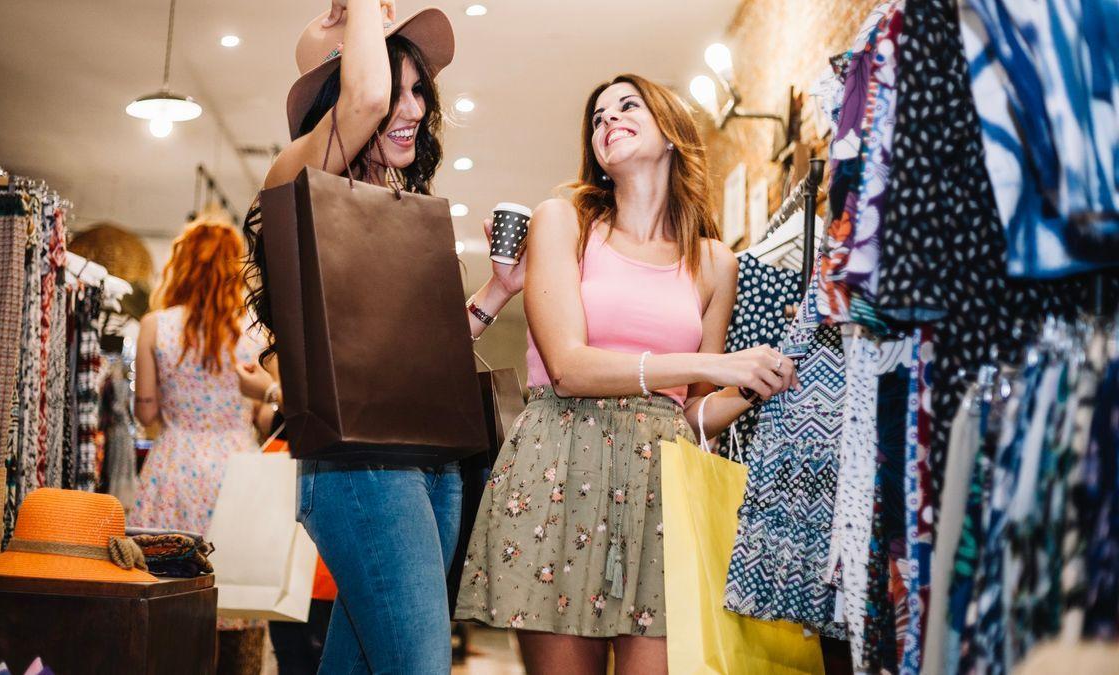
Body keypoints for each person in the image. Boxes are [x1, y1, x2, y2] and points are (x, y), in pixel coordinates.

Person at [453, 74, 799, 675]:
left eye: (627, 106)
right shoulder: (563, 223)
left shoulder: (715, 262)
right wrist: (710, 364)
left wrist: (747, 385)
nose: (607, 119)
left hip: (660, 490)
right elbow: (567, 367)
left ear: (670, 133)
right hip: (561, 466)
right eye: (597, 116)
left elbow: (692, 415)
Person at [241, 1, 523, 671]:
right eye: (393, 88)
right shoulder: (296, 177)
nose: (413, 107)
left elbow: (425, 356)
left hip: (433, 464)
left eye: (418, 88)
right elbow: (364, 97)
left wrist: (496, 291)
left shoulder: (400, 205)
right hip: (359, 467)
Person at [128, 218, 271, 674]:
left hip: (175, 465)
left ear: (182, 266)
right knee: (238, 593)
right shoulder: (255, 330)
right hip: (238, 471)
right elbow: (270, 416)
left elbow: (146, 413)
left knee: (167, 590)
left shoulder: (156, 325)